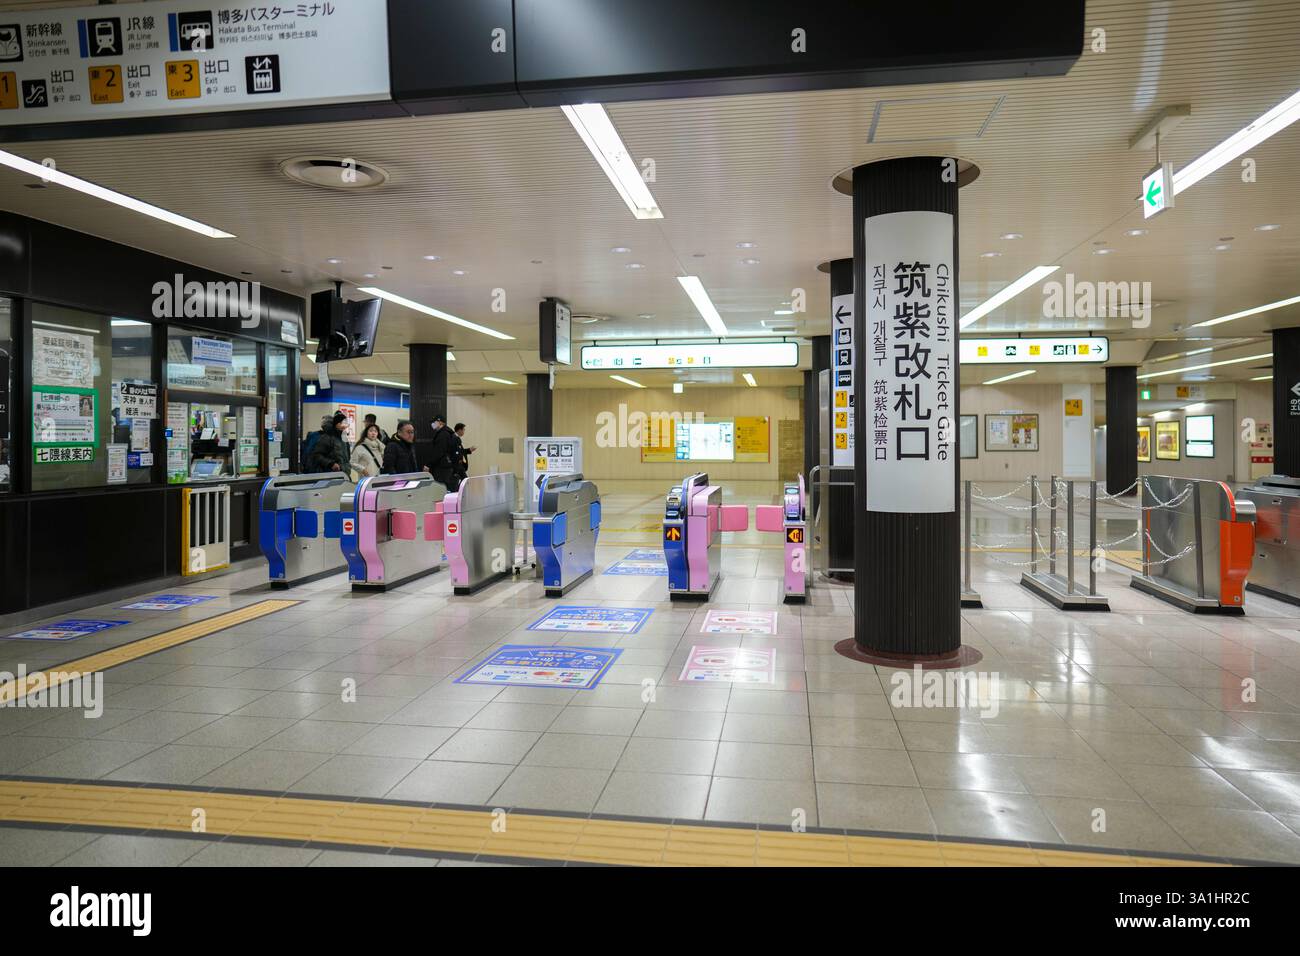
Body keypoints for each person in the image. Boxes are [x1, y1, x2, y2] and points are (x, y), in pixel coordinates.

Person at [428, 415, 457, 490]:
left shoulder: (443, 434)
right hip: (447, 466)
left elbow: (438, 452)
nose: (432, 424)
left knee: (440, 490)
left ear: (440, 422)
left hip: (442, 468)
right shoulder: (448, 433)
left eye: (433, 422)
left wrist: (429, 464)